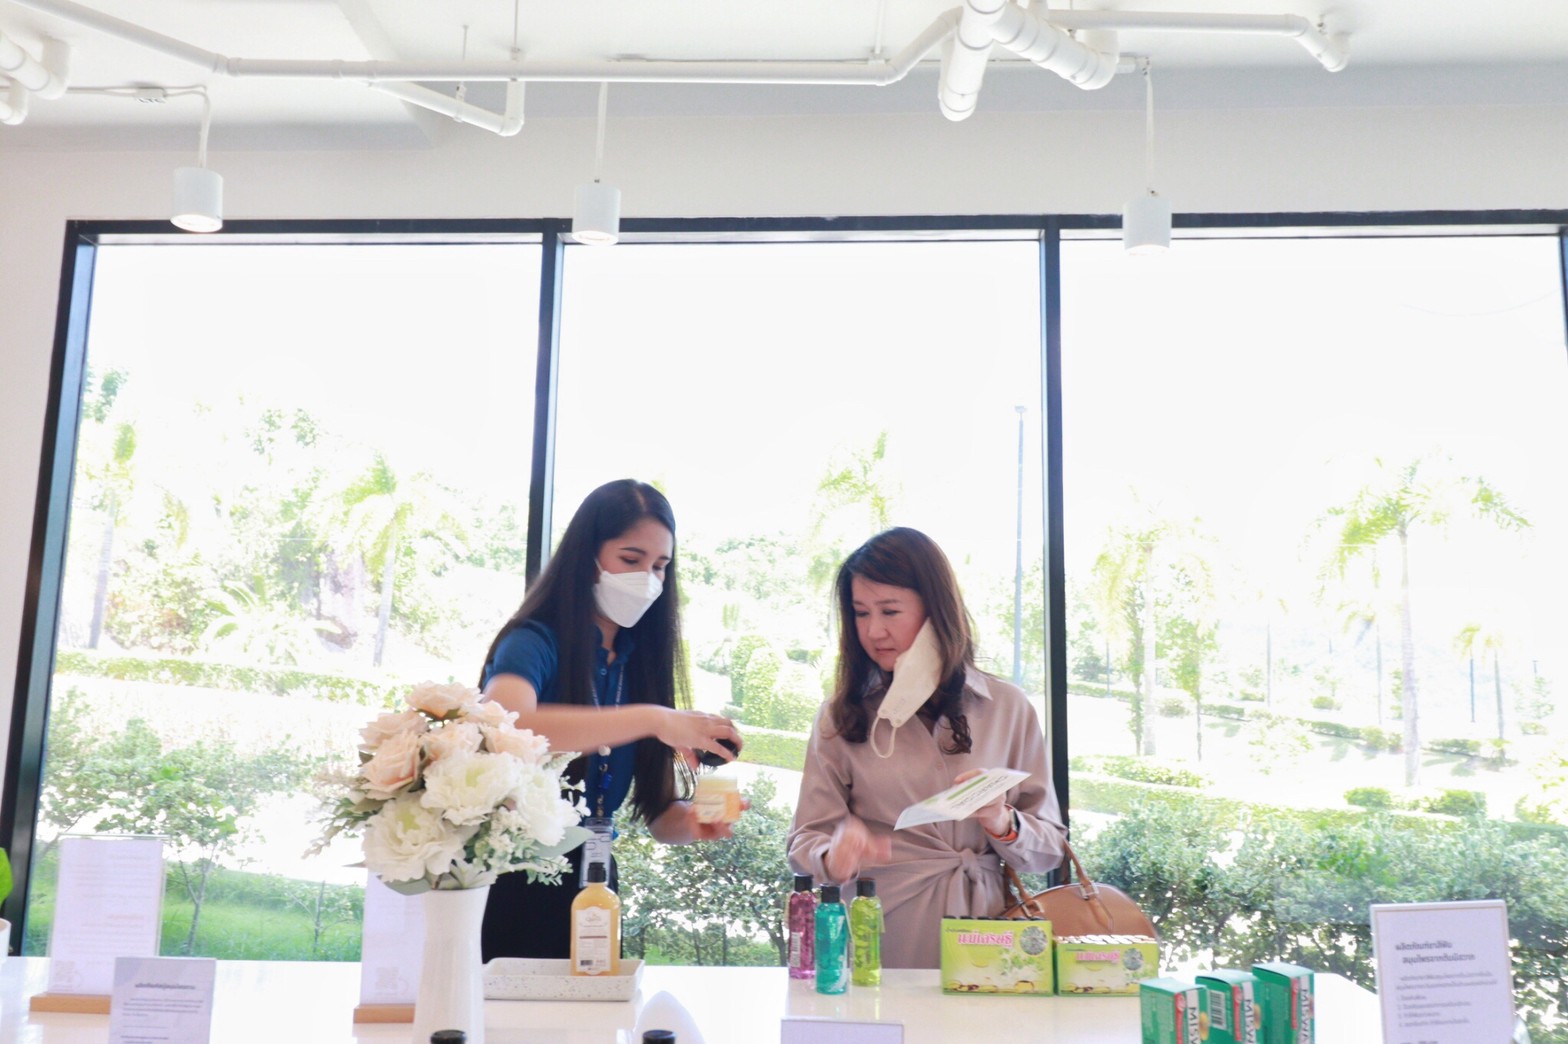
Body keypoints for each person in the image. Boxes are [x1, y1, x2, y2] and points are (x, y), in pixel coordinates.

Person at [478, 478, 743, 961]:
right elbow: (508, 727)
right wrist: (652, 719)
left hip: (596, 888)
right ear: (587, 556)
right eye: (631, 559)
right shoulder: (533, 641)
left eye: (659, 566)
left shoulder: (642, 662)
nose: (648, 578)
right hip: (511, 885)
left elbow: (660, 819)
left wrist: (694, 822)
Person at [788, 526, 1067, 968]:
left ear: (936, 609)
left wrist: (1001, 822)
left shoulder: (1008, 708)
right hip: (881, 939)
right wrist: (835, 856)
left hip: (988, 945)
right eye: (860, 613)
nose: (874, 630)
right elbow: (805, 840)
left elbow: (1049, 850)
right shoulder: (841, 716)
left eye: (890, 611)